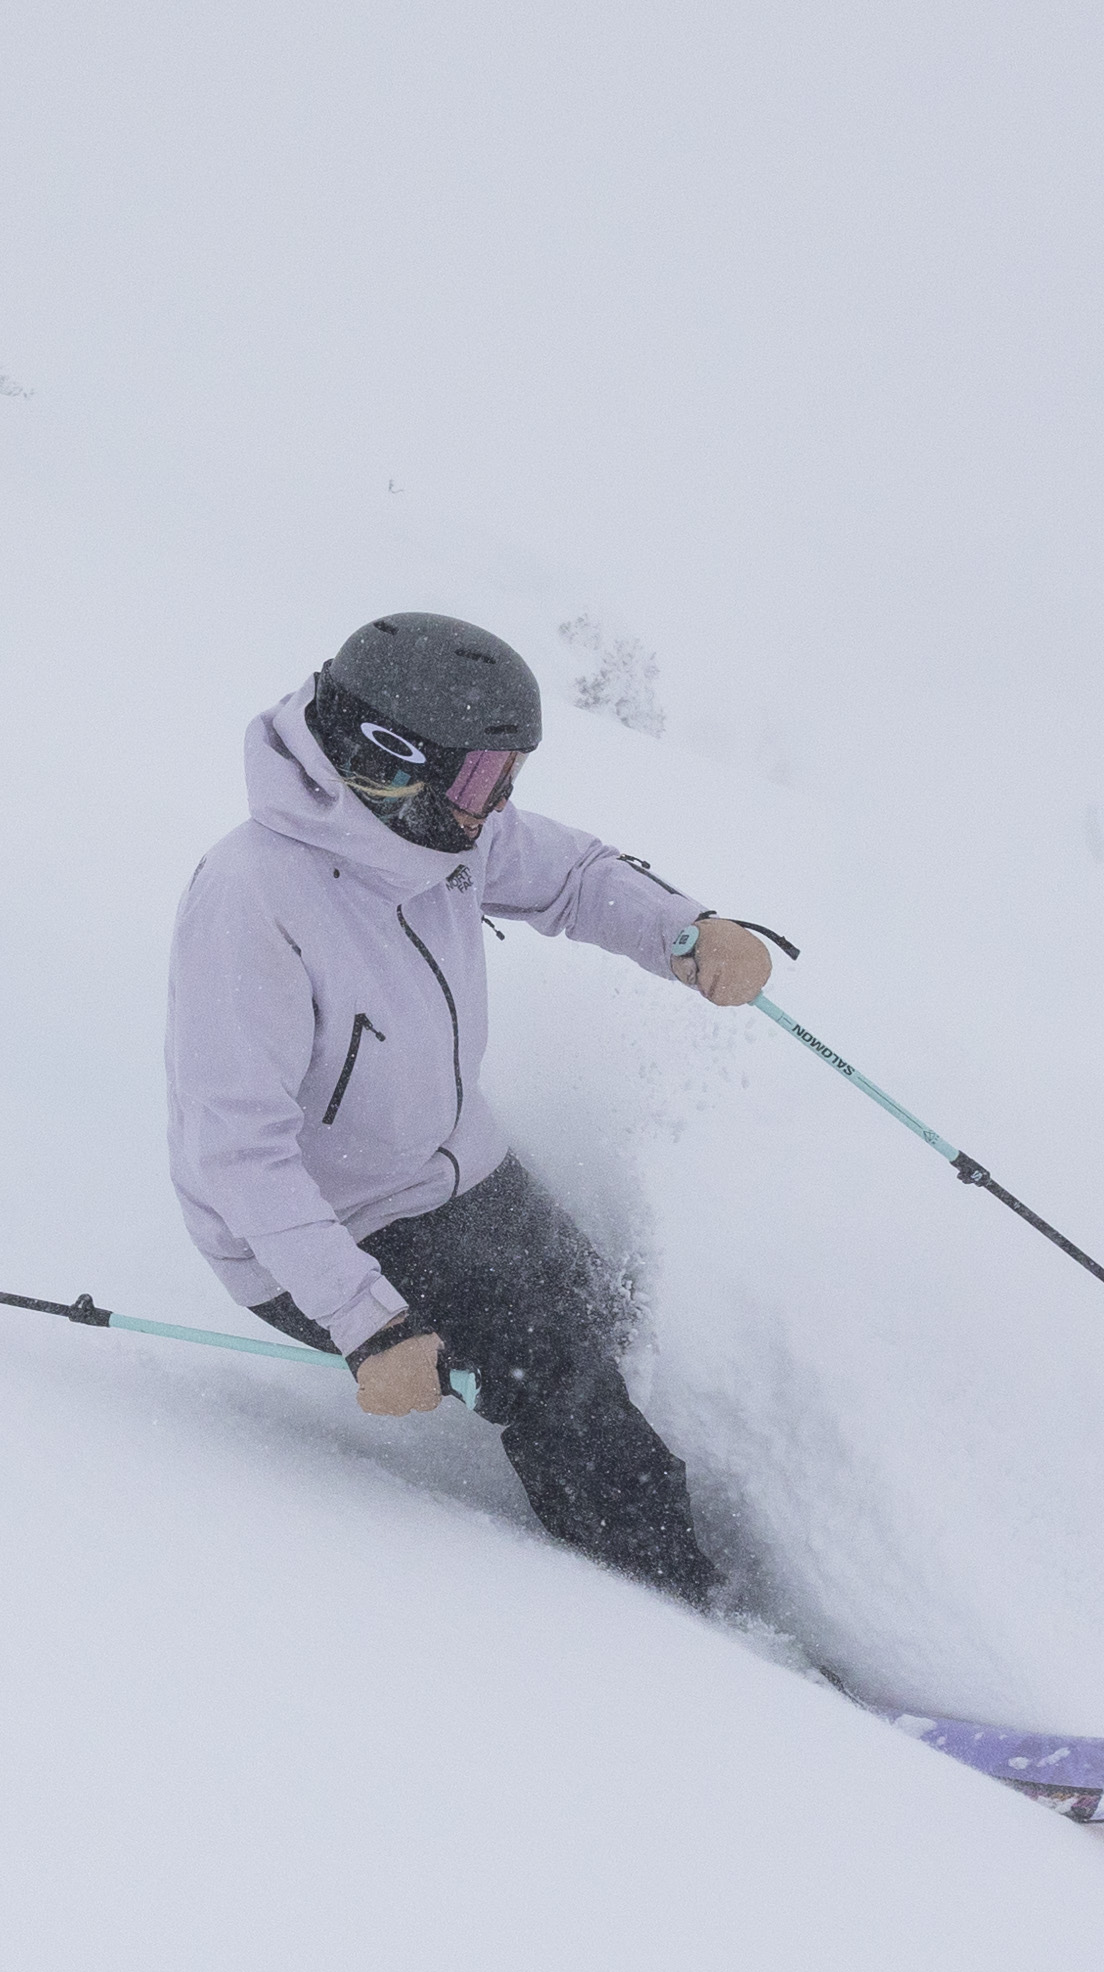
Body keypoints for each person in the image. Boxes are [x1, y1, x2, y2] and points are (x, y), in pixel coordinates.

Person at [166, 613, 780, 1608]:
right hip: (325, 1235)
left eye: (506, 779)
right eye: (480, 781)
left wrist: (689, 933)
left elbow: (574, 876)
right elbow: (239, 1157)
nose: (496, 808)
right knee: (555, 1365)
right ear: (387, 763)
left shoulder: (441, 838)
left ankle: (691, 1524)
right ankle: (684, 1611)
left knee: (602, 1304)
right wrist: (368, 1323)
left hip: (454, 1165)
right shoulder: (253, 903)